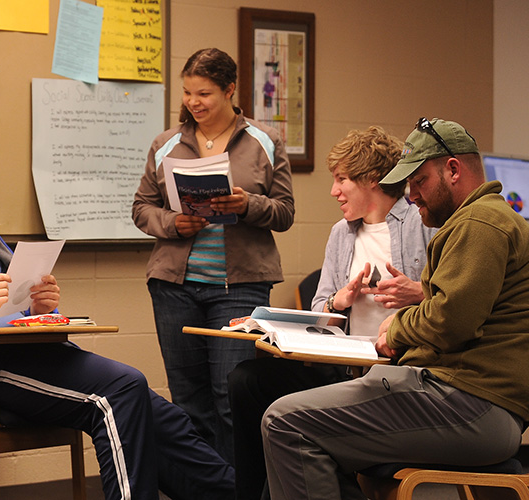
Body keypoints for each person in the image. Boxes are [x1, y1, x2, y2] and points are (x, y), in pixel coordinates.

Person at [0, 138, 235, 500]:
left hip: (31, 349)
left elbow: (14, 307)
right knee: (119, 392)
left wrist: (39, 309)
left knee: (154, 408)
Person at [262, 118, 529, 500]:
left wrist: (397, 326)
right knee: (283, 412)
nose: (412, 194)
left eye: (419, 181)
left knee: (285, 422)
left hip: (469, 403)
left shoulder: (481, 221)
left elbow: (450, 320)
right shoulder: (474, 221)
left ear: (453, 170)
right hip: (461, 397)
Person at [227, 126, 435, 500]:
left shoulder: (423, 224)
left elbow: (449, 302)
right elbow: (318, 310)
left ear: (371, 179)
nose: (334, 191)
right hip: (343, 369)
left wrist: (416, 294)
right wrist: (336, 302)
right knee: (247, 380)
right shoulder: (342, 233)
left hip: (395, 373)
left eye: (342, 180)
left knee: (287, 421)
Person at [132, 47, 295, 463]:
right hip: (174, 287)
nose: (193, 102)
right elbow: (141, 208)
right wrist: (173, 223)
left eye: (203, 93)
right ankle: (203, 488)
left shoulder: (264, 140)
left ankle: (236, 488)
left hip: (239, 287)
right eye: (187, 93)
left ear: (229, 90)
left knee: (231, 394)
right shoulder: (165, 144)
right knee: (188, 398)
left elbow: (285, 213)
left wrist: (246, 205)